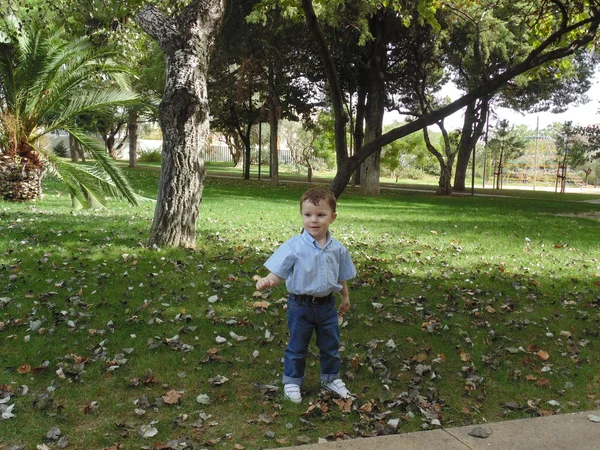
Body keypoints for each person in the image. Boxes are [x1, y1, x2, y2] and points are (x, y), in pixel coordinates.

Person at [255, 187, 357, 404]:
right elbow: (279, 272)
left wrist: (345, 297)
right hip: (300, 306)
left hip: (327, 306)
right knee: (297, 345)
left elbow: (341, 276)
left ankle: (330, 378)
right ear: (301, 215)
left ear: (332, 218)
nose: (314, 220)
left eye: (320, 215)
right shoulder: (294, 246)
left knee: (330, 344)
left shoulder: (338, 249)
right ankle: (292, 381)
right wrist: (268, 280)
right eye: (308, 215)